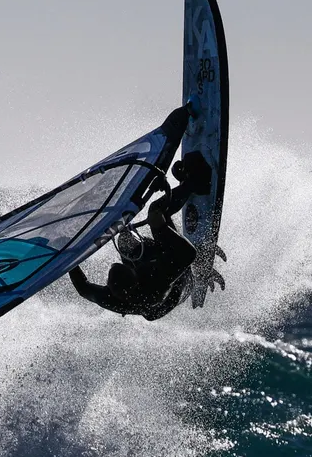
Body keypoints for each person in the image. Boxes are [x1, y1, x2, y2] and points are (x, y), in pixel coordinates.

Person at [68, 108, 225, 320]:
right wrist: (160, 226)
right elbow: (188, 255)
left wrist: (69, 258)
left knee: (125, 238)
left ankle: (169, 207)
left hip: (148, 277)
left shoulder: (108, 295)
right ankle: (196, 182)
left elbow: (82, 287)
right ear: (133, 277)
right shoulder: (157, 279)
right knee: (156, 212)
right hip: (178, 284)